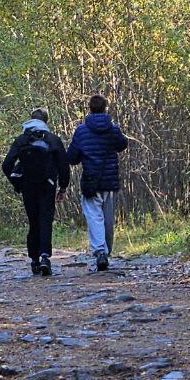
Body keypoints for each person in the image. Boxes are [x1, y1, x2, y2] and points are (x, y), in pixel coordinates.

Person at [2, 108, 70, 277]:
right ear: (45, 121)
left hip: (28, 186)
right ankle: (45, 257)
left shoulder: (22, 139)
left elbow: (6, 164)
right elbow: (63, 164)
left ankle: (34, 260)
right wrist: (63, 187)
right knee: (45, 220)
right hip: (48, 185)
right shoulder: (53, 139)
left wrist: (17, 183)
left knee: (33, 221)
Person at [66, 94, 129, 272]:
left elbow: (71, 158)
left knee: (94, 218)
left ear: (90, 108)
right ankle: (105, 252)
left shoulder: (81, 131)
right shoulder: (113, 129)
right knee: (108, 220)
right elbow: (123, 145)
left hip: (91, 181)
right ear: (105, 108)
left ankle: (100, 251)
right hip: (110, 181)